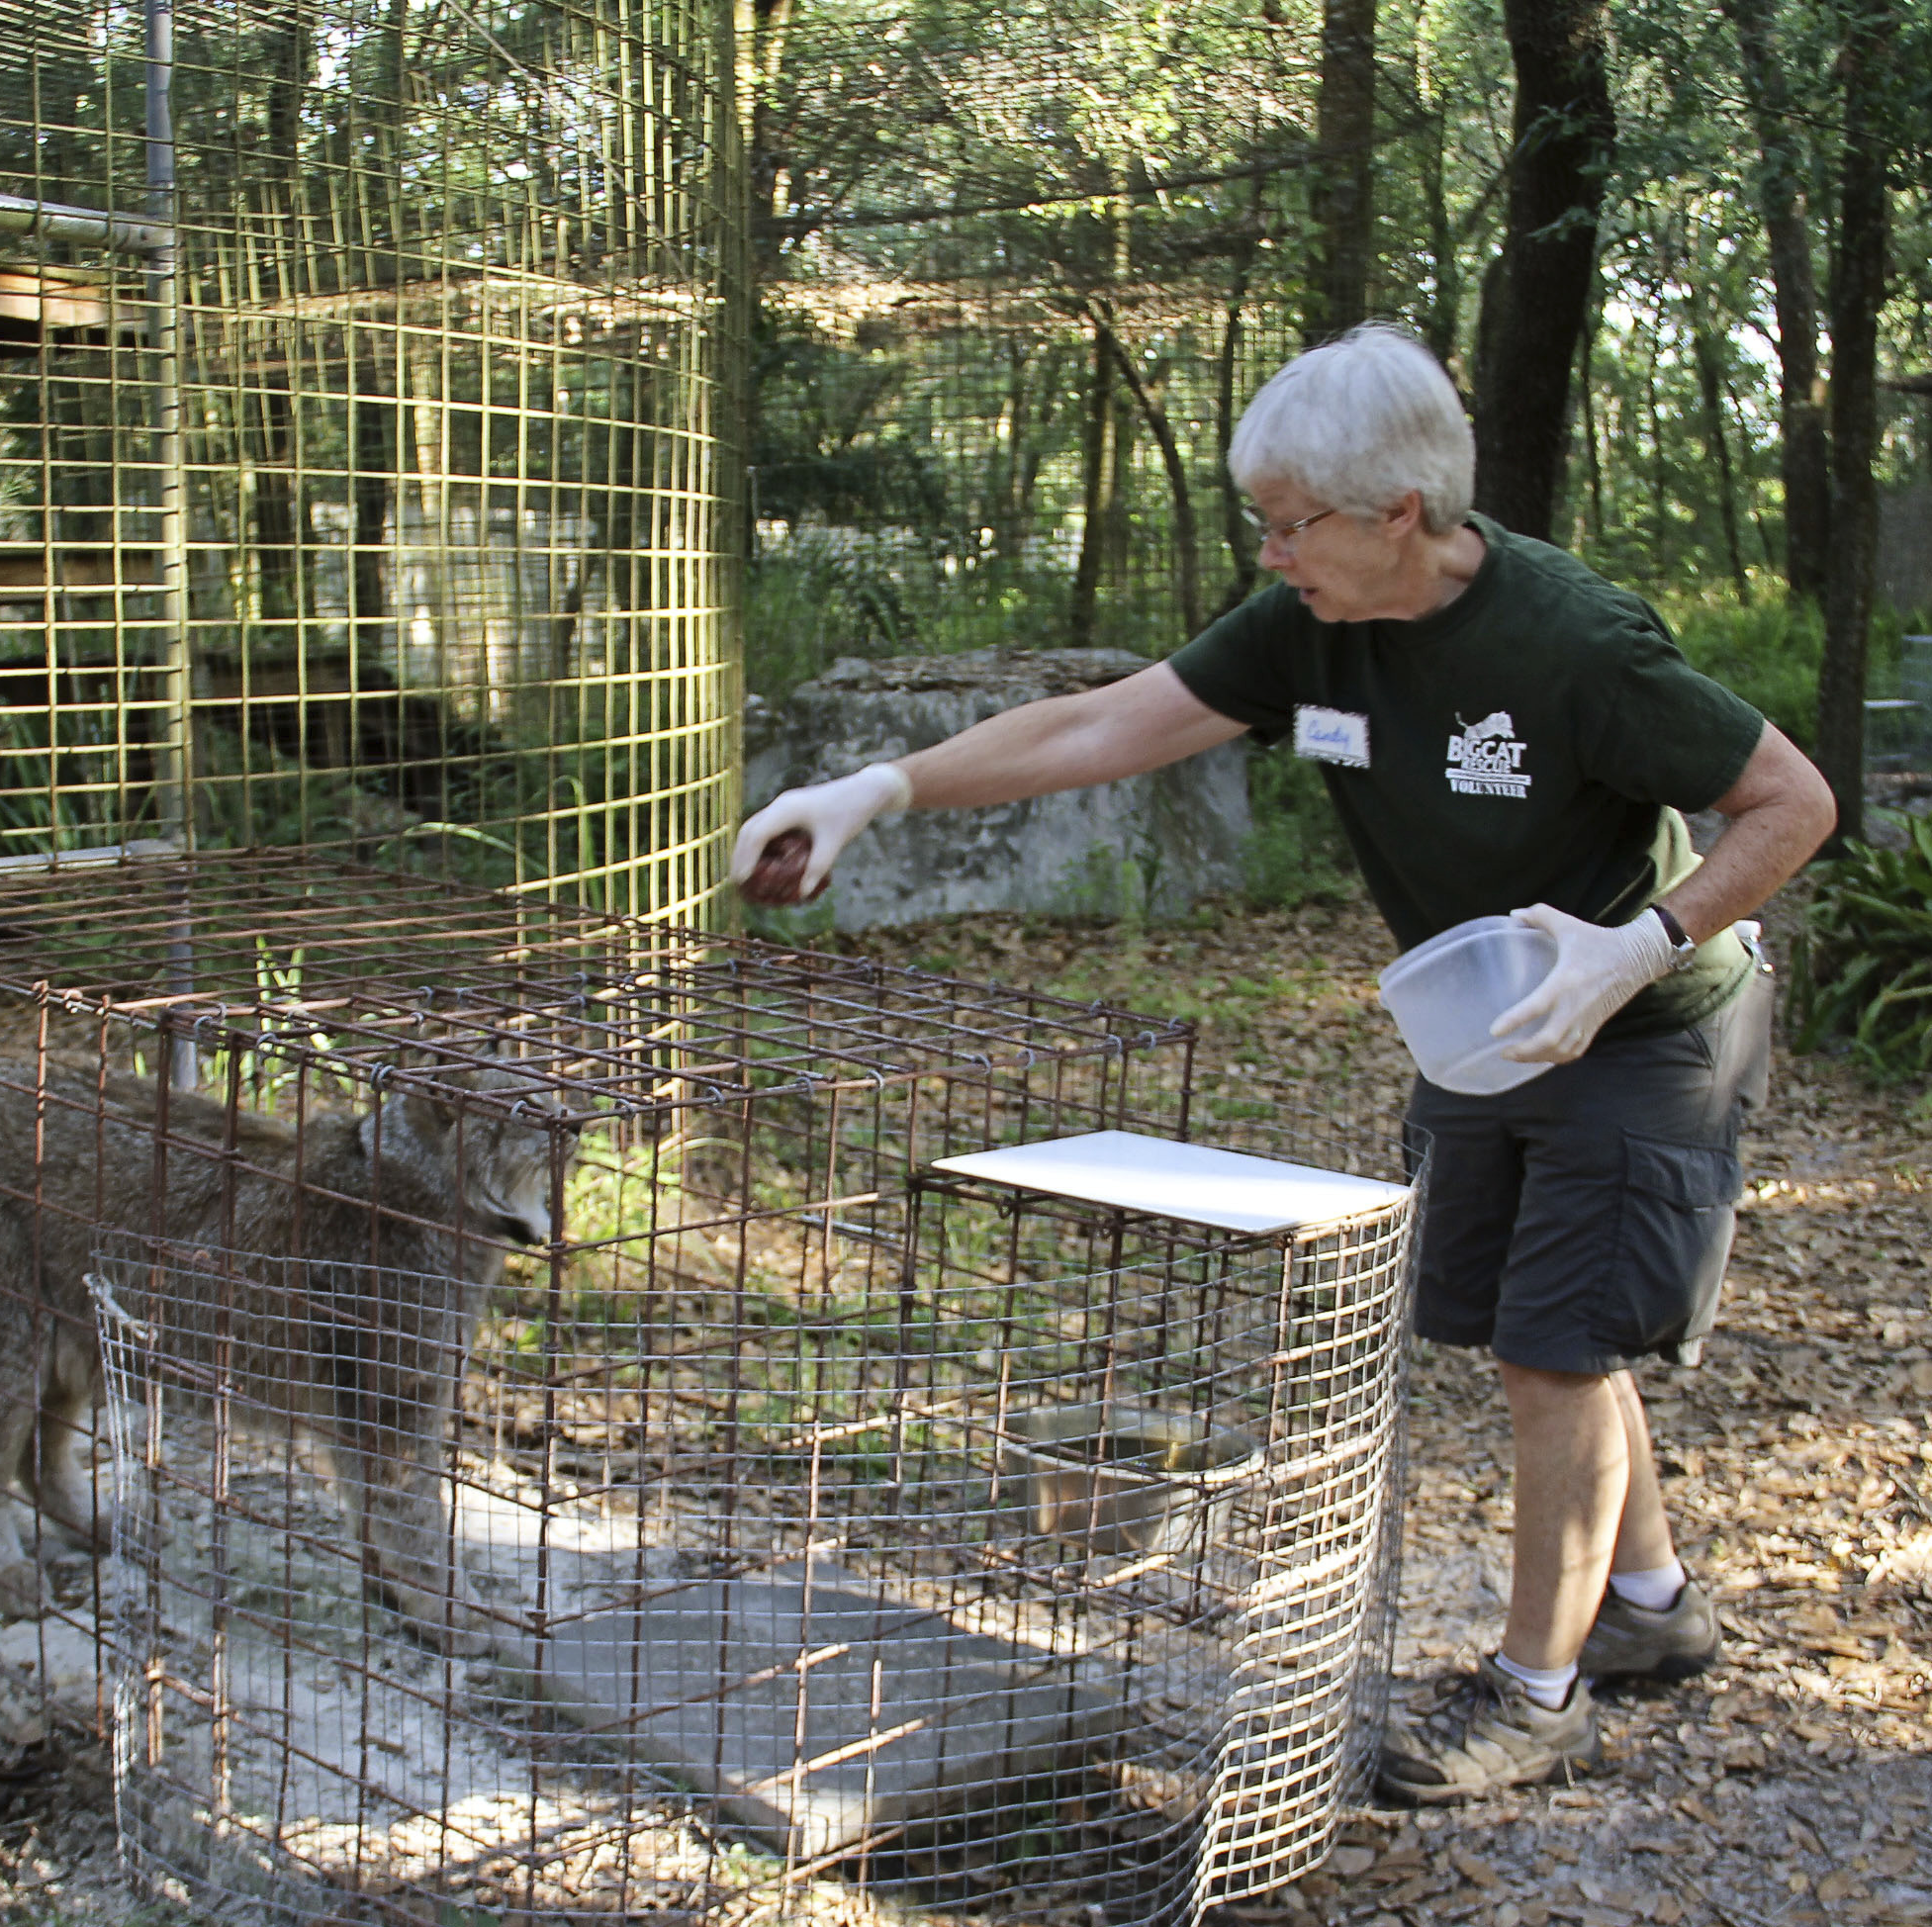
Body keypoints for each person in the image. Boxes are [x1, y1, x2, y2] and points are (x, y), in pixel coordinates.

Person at [728, 323, 1838, 1804]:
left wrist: (1641, 942)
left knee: (1554, 1349)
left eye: (1289, 522)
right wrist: (879, 790)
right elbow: (1112, 722)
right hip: (1491, 1012)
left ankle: (1536, 1692)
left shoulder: (1572, 640)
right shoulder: (1308, 627)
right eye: (1260, 518)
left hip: (1649, 1018)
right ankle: (1646, 1609)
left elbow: (1793, 800)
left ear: (1399, 516)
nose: (1268, 552)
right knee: (1534, 1322)